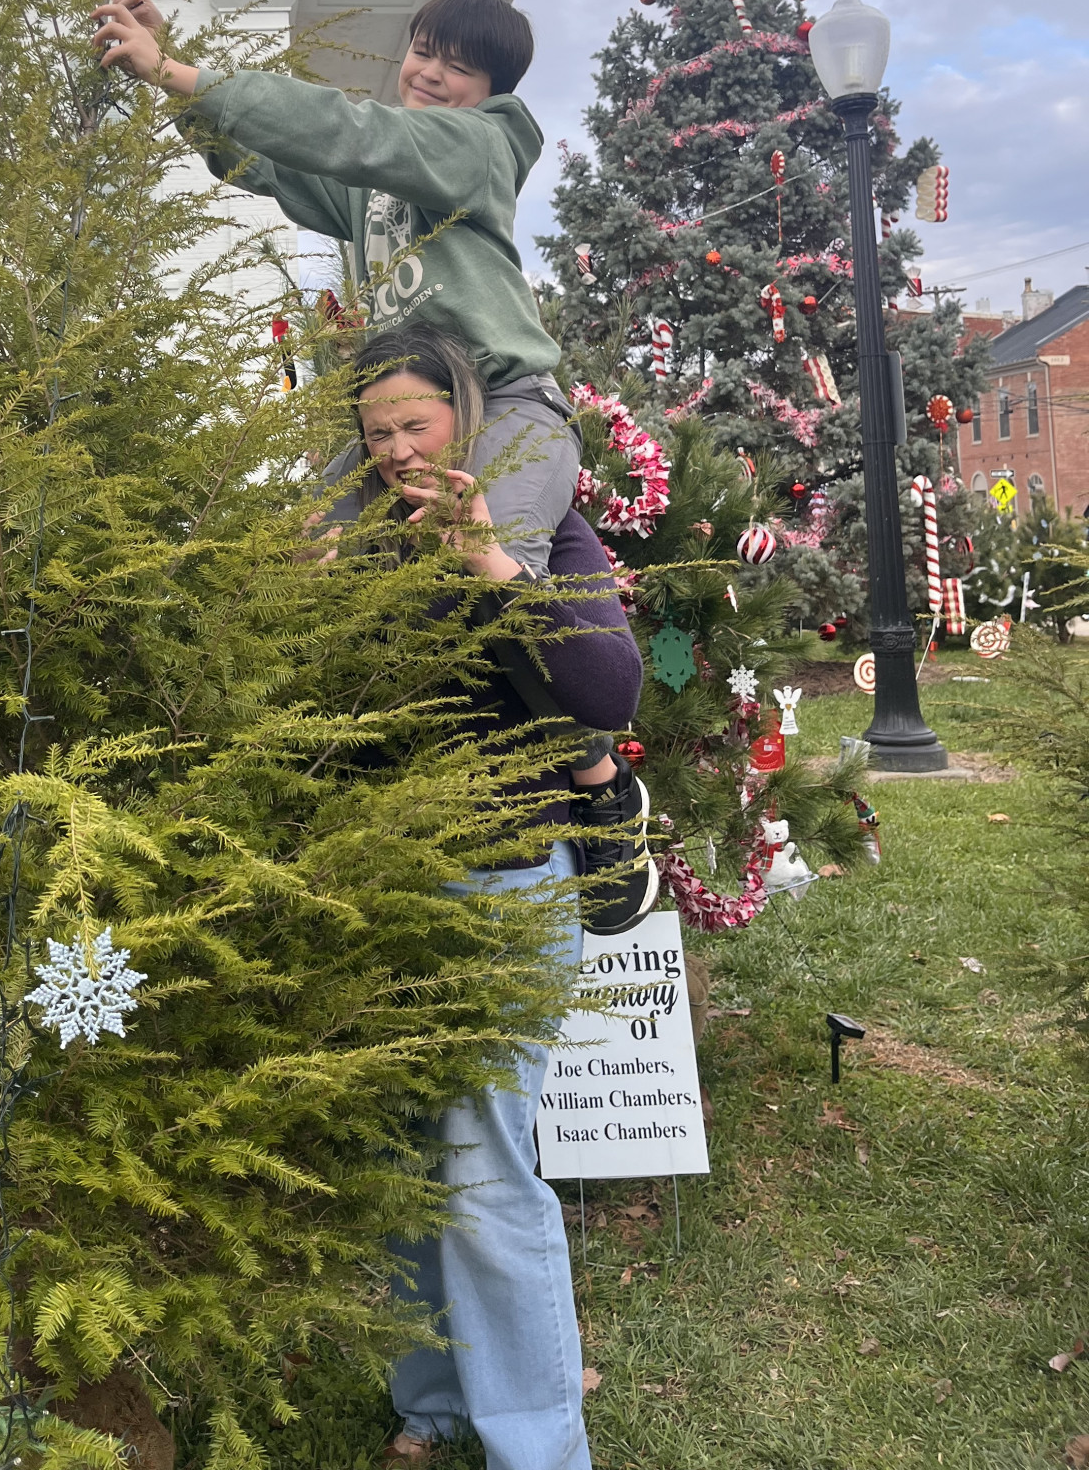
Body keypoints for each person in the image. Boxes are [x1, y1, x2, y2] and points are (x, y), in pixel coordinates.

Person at [343, 324, 650, 1470]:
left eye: (414, 421)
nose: (395, 447)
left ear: (464, 415)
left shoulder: (536, 521)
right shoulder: (359, 536)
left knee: (479, 1156)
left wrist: (488, 559)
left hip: (504, 877)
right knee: (401, 1152)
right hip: (385, 882)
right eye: (375, 430)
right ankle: (430, 1400)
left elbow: (608, 689)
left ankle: (538, 1445)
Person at [90, 0, 580, 577]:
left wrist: (175, 71)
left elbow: (350, 134)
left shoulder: (482, 146)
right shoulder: (375, 184)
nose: (430, 73)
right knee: (307, 552)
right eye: (423, 52)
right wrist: (171, 70)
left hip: (505, 401)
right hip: (407, 415)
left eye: (458, 68)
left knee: (494, 571)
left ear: (491, 91)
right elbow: (266, 162)